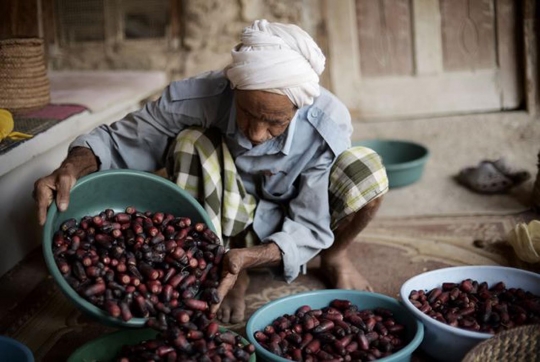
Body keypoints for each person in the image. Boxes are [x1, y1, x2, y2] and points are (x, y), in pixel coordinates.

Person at [33, 19, 388, 324]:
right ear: (234, 88)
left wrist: (255, 257)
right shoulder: (198, 97)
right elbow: (119, 141)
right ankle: (220, 266)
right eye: (248, 113)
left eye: (275, 122)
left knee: (365, 171)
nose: (256, 133)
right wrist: (71, 166)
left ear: (299, 106)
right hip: (221, 217)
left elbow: (311, 223)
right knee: (190, 142)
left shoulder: (326, 121)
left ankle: (336, 255)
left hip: (287, 217)